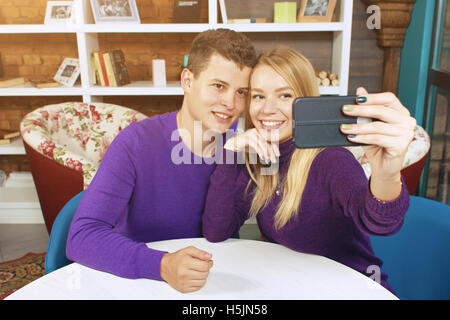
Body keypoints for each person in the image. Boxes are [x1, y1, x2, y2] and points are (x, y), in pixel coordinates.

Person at [202, 46, 416, 295]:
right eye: (258, 96)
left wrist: (387, 174)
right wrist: (229, 154)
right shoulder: (261, 158)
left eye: (284, 96)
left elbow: (380, 223)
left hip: (354, 291)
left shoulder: (331, 159)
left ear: (307, 102)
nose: (267, 109)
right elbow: (216, 231)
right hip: (301, 290)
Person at [66, 29, 257, 293]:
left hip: (213, 283)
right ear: (188, 81)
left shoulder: (240, 149)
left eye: (241, 92)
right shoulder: (136, 142)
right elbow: (81, 237)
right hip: (138, 281)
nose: (230, 103)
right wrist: (162, 265)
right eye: (218, 86)